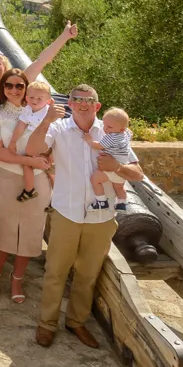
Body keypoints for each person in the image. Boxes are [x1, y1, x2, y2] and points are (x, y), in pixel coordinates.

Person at [35, 84, 144, 348]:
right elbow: (34, 149)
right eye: (76, 99)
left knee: (87, 274)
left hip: (101, 217)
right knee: (55, 272)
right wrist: (46, 120)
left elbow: (138, 173)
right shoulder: (57, 128)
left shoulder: (111, 131)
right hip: (67, 213)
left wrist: (117, 166)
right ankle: (47, 324)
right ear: (69, 104)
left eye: (88, 100)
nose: (82, 104)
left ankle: (76, 322)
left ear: (97, 106)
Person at [0, 68, 52, 304]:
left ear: (26, 88)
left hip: (39, 179)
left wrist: (46, 160)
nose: (14, 90)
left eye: (19, 86)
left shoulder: (40, 111)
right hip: (7, 177)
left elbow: (53, 141)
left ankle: (17, 279)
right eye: (9, 85)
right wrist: (29, 161)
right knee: (4, 228)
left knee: (32, 231)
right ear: (2, 88)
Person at [90, 107, 139, 207]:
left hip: (109, 169)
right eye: (104, 125)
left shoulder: (111, 137)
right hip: (122, 169)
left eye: (109, 127)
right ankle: (122, 203)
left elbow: (98, 146)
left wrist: (88, 140)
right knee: (119, 188)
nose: (105, 129)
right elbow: (130, 133)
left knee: (95, 180)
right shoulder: (125, 134)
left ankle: (101, 201)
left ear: (121, 129)